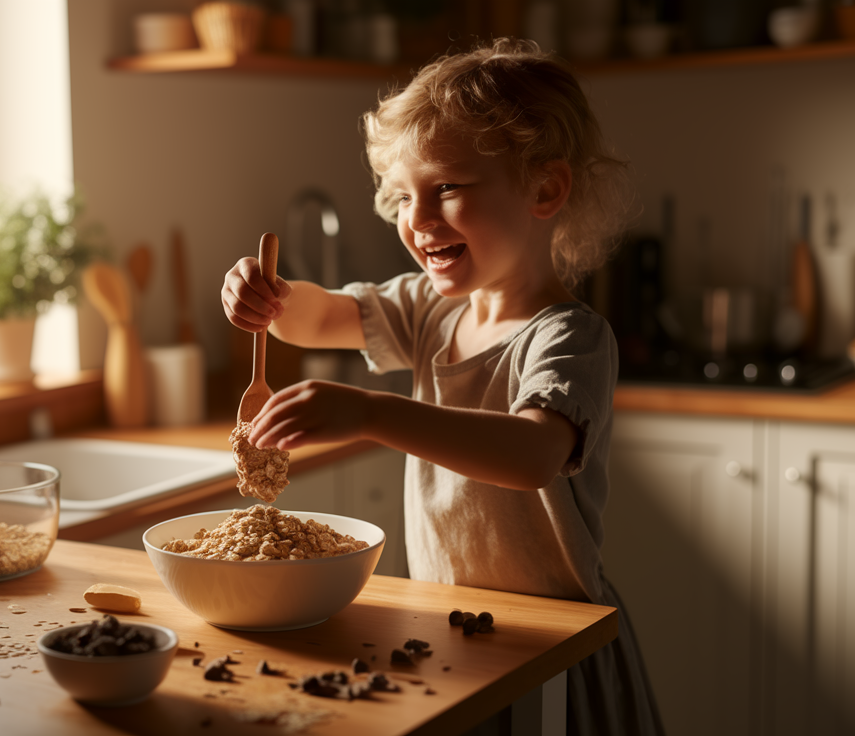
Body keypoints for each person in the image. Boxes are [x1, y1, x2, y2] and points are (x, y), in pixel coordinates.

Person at [221, 38, 663, 736]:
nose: (418, 221)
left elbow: (531, 454)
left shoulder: (568, 337)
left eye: (448, 188)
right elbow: (320, 315)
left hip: (551, 644)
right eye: (404, 195)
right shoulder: (431, 309)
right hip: (451, 633)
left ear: (545, 189)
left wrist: (371, 413)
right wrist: (267, 299)